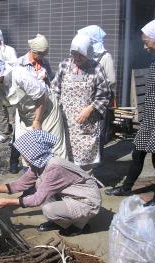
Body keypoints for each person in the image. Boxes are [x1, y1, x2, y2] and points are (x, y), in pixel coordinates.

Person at [0, 130, 101, 236]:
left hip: (87, 202)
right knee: (39, 184)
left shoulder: (54, 168)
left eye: (24, 153)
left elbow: (38, 199)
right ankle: (61, 220)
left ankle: (78, 226)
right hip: (72, 196)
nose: (22, 156)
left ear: (34, 152)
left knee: (49, 210)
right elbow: (20, 184)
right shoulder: (39, 164)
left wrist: (7, 201)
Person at [105, 19, 155, 208]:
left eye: (147, 42)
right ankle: (127, 187)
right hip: (150, 119)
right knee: (138, 154)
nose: (145, 47)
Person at [51, 34, 111, 171]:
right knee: (64, 156)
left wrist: (90, 109)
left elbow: (104, 95)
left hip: (86, 121)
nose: (77, 58)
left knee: (85, 158)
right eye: (74, 54)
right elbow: (55, 90)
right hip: (65, 120)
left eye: (81, 55)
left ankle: (85, 184)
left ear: (88, 53)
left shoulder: (97, 68)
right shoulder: (64, 65)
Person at [15, 34, 68, 163]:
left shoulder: (44, 62)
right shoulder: (20, 63)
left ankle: (54, 170)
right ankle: (26, 170)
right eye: (41, 53)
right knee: (27, 142)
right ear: (33, 51)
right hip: (28, 107)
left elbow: (50, 84)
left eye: (44, 53)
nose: (43, 56)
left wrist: (46, 79)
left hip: (45, 104)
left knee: (50, 141)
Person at [78, 25, 117, 159]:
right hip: (85, 99)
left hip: (99, 100)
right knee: (87, 128)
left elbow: (111, 80)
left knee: (98, 130)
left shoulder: (105, 57)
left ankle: (97, 158)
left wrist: (97, 85)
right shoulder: (85, 56)